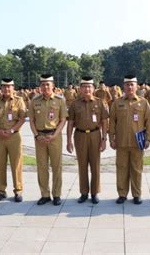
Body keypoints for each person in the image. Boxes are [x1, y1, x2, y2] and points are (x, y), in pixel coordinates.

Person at [109, 75, 150, 205]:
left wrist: (148, 139)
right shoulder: (117, 103)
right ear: (124, 87)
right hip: (121, 142)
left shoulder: (143, 103)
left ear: (136, 86)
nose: (129, 87)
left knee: (137, 169)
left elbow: (148, 122)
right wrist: (112, 138)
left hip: (137, 143)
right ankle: (122, 194)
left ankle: (136, 194)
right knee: (121, 168)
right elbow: (112, 122)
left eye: (132, 84)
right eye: (127, 84)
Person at [67, 76, 109, 204]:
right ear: (80, 89)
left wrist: (104, 139)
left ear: (93, 88)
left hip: (95, 135)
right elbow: (70, 123)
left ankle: (94, 192)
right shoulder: (75, 104)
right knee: (82, 165)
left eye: (89, 87)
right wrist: (69, 140)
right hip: (80, 136)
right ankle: (84, 192)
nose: (86, 89)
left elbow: (104, 121)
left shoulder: (99, 102)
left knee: (95, 165)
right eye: (84, 87)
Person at [28, 74, 68, 206]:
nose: (45, 87)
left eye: (48, 84)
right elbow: (32, 121)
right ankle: (45, 194)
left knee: (57, 166)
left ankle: (57, 194)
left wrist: (55, 135)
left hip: (54, 136)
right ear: (40, 86)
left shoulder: (60, 100)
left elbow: (63, 120)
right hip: (39, 137)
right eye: (43, 84)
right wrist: (36, 136)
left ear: (53, 86)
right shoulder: (34, 101)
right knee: (42, 167)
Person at [0, 78, 27, 202]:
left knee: (16, 164)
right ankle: (1, 191)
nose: (6, 89)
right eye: (4, 87)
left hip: (14, 136)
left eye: (9, 86)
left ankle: (18, 191)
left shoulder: (19, 101)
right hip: (0, 136)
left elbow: (22, 119)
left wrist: (11, 131)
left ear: (13, 88)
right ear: (1, 88)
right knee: (0, 164)